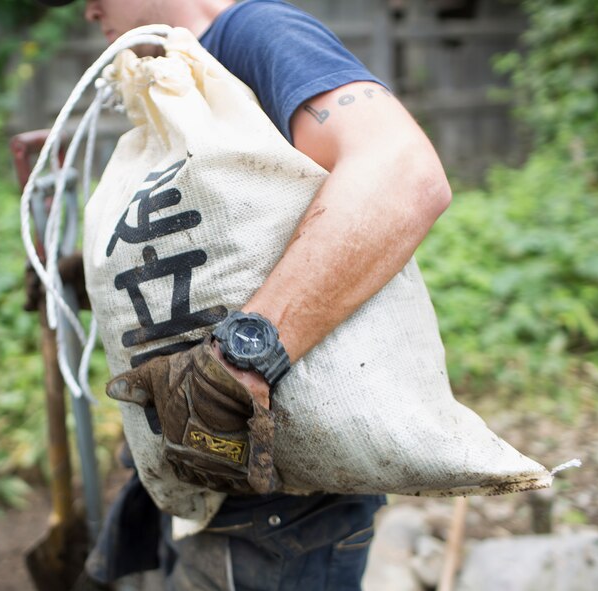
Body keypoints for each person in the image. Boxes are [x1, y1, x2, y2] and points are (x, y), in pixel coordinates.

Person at [38, 0, 452, 589]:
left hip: (285, 511)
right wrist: (89, 280)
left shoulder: (256, 34)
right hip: (204, 479)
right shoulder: (181, 74)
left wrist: (244, 353)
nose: (86, 11)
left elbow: (403, 171)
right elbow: (232, 248)